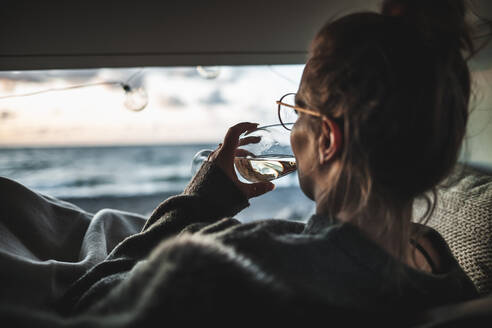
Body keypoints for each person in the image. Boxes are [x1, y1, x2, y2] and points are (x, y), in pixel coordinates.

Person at [0, 0, 482, 326]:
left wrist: (199, 203)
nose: (291, 134)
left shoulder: (238, 262)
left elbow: (87, 303)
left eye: (296, 113)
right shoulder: (438, 263)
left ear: (329, 139)